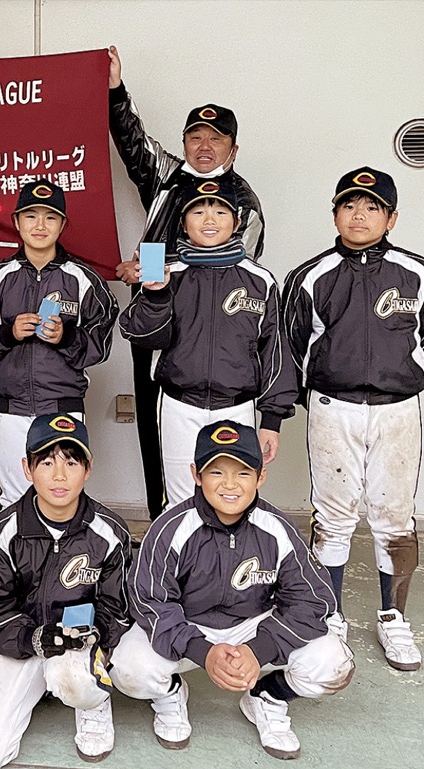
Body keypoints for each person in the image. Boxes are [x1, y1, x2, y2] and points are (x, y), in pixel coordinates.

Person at [281, 167, 424, 671]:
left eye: (372, 207)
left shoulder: (417, 272)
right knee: (333, 516)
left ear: (392, 217)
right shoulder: (311, 276)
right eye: (349, 205)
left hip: (398, 410)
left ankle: (392, 618)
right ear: (334, 212)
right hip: (333, 409)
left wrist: (403, 371)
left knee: (395, 518)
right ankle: (331, 614)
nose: (359, 214)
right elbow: (292, 342)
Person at [111, 421, 354, 761]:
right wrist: (201, 651)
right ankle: (169, 694)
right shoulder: (171, 528)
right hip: (189, 626)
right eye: (216, 472)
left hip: (253, 625)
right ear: (196, 474)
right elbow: (151, 602)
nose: (229, 485)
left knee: (334, 663)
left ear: (261, 477)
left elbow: (312, 600)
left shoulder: (277, 529)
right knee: (128, 669)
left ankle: (267, 696)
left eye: (242, 473)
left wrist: (260, 649)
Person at [107, 45, 265, 520]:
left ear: (232, 149)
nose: (203, 146)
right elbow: (131, 140)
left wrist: (156, 269)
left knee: (223, 453)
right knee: (157, 438)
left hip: (213, 344)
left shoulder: (245, 202)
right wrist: (115, 87)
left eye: (215, 139)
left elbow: (236, 270)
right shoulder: (167, 177)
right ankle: (164, 528)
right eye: (194, 136)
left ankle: (220, 536)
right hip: (154, 327)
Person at [0, 414, 131, 768]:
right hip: (27, 641)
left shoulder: (109, 531)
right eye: (46, 462)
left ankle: (92, 700)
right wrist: (32, 638)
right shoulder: (4, 530)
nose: (59, 475)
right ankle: (25, 691)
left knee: (80, 682)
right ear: (27, 468)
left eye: (71, 462)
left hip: (82, 643)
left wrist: (96, 634)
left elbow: (119, 606)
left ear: (88, 469)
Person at [119, 179, 296, 508]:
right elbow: (143, 336)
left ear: (237, 222)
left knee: (233, 501)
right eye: (198, 211)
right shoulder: (168, 273)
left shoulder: (260, 281)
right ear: (183, 223)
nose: (209, 219)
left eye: (220, 211)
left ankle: (227, 561)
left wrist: (271, 421)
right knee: (180, 501)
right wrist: (156, 295)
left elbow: (276, 354)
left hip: (238, 406)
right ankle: (179, 561)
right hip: (178, 405)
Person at [0, 179, 116, 507]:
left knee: (63, 496)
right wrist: (9, 333)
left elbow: (100, 345)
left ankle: (62, 559)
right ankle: (14, 559)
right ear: (17, 222)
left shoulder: (83, 279)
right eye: (31, 216)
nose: (40, 225)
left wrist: (66, 337)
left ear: (62, 224)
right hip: (9, 409)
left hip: (62, 405)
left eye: (50, 217)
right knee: (14, 497)